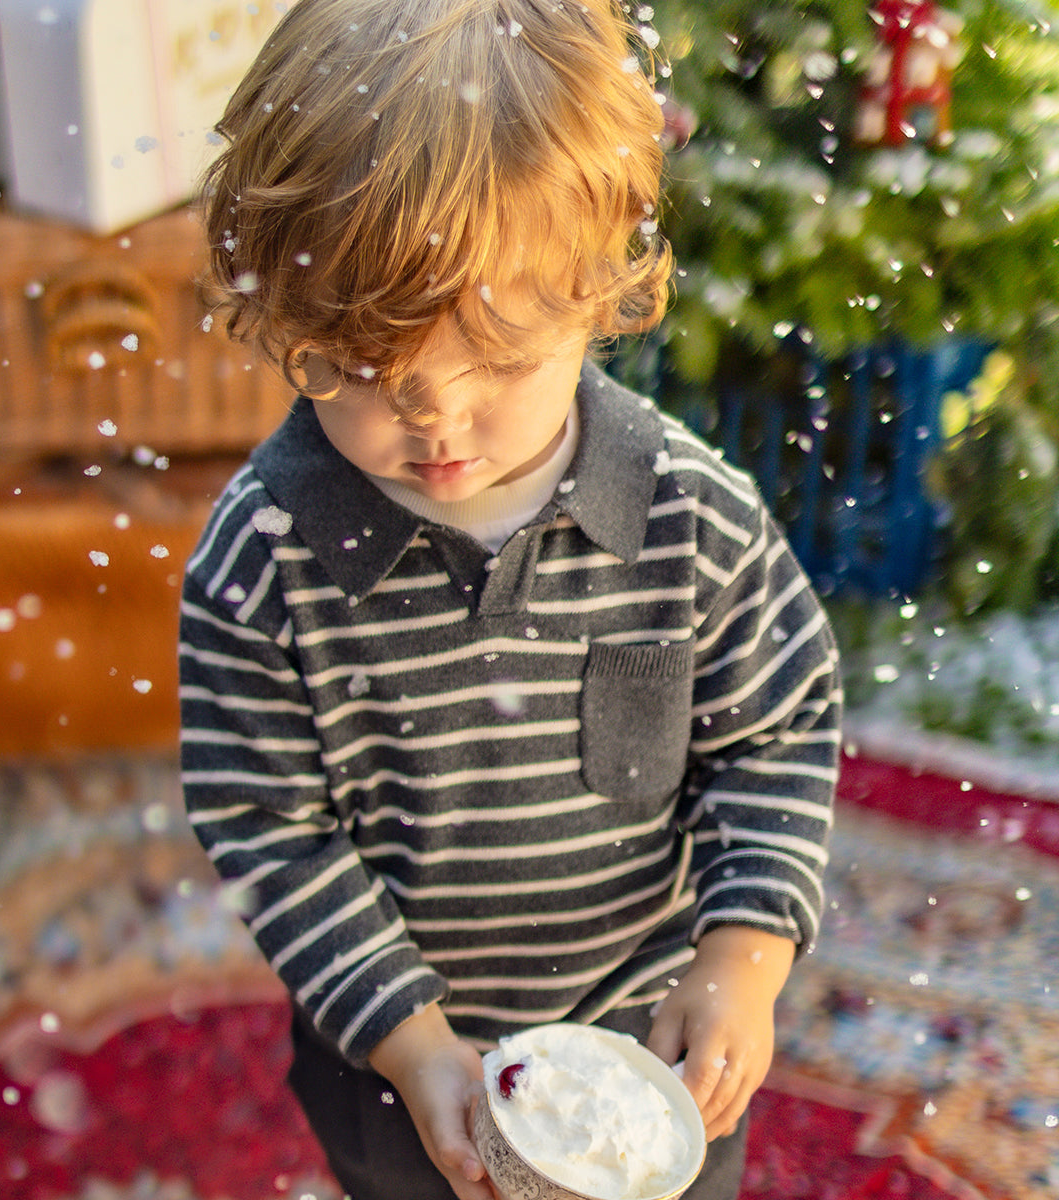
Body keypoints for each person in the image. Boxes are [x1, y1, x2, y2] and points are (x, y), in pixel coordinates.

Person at [179, 1, 842, 1198]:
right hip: (397, 1074)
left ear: (599, 296)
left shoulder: (692, 520)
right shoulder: (262, 562)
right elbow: (270, 831)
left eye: (496, 361)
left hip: (650, 1063)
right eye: (366, 371)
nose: (435, 417)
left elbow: (778, 732)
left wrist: (743, 955)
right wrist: (413, 1043)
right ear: (285, 322)